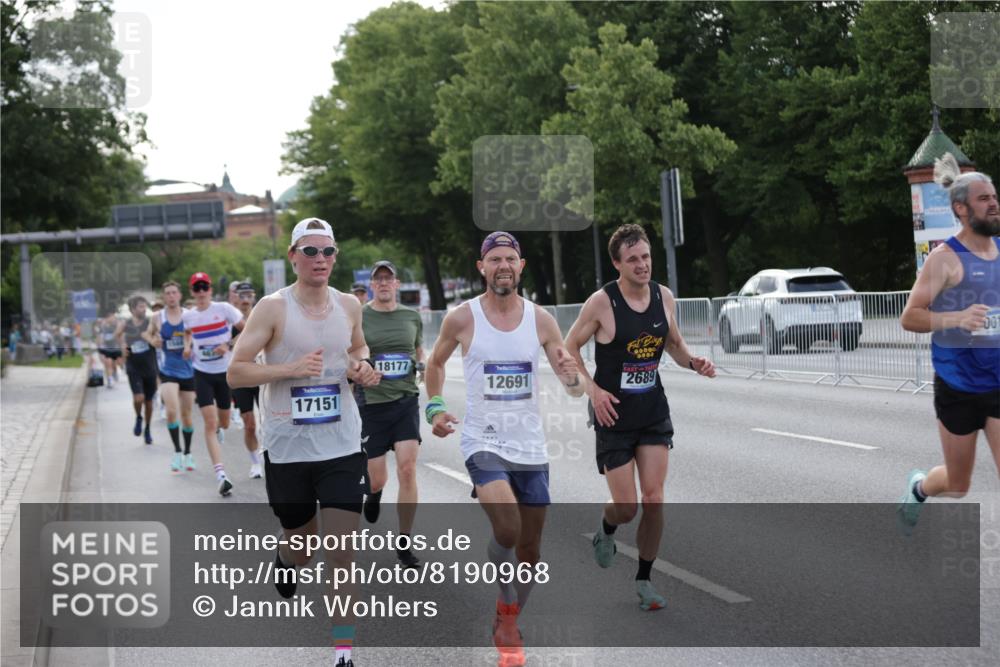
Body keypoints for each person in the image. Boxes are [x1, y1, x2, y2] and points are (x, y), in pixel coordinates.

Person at [425, 231, 583, 667]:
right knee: (509, 530)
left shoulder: (542, 320)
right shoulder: (462, 318)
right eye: (494, 259)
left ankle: (507, 615)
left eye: (510, 258)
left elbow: (572, 388)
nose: (503, 266)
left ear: (521, 265)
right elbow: (434, 364)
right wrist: (435, 409)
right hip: (483, 440)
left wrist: (572, 376)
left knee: (531, 551)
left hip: (530, 445)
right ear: (482, 267)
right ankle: (508, 609)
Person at [228, 217, 380, 667]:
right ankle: (286, 558)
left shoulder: (349, 306)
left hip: (341, 443)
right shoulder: (272, 309)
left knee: (342, 548)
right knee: (303, 542)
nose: (320, 259)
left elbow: (357, 349)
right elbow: (236, 371)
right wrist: (288, 369)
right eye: (310, 251)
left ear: (335, 256)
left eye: (327, 251)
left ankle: (343, 651)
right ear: (293, 256)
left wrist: (363, 368)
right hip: (288, 445)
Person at [564, 223, 716, 612]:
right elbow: (569, 348)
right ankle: (607, 528)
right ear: (617, 264)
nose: (642, 264)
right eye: (633, 259)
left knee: (654, 499)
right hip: (612, 414)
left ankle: (645, 580)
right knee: (627, 506)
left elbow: (675, 345)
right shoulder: (601, 303)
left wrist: (693, 362)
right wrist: (593, 390)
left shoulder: (664, 296)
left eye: (646, 256)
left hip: (651, 410)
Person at [897, 154, 1000, 534]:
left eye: (994, 197)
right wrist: (955, 318)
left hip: (998, 380)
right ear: (961, 209)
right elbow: (910, 317)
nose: (994, 203)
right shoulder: (944, 259)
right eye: (984, 199)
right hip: (959, 385)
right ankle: (919, 488)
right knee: (958, 485)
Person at [358, 260, 425, 568]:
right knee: (375, 480)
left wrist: (420, 365)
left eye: (389, 278)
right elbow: (351, 352)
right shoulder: (360, 316)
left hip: (405, 401)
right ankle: (374, 494)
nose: (384, 283)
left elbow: (418, 349)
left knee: (408, 469)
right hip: (371, 405)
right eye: (378, 279)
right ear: (373, 285)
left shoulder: (411, 317)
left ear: (397, 284)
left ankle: (404, 542)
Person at [182, 272, 246, 496]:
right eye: (196, 288)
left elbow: (247, 331)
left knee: (224, 423)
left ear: (210, 289)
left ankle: (221, 427)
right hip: (202, 374)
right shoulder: (188, 316)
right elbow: (188, 333)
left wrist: (228, 345)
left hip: (224, 374)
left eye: (204, 287)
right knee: (209, 424)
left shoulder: (224, 309)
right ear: (192, 292)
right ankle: (221, 475)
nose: (200, 292)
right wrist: (188, 346)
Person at [149, 281, 197, 472]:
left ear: (179, 295)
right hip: (167, 370)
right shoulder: (157, 317)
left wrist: (188, 346)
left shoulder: (189, 315)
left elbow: (194, 335)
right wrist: (155, 341)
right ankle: (177, 452)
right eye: (167, 293)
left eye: (174, 293)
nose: (170, 296)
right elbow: (149, 336)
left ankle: (188, 453)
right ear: (164, 297)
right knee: (171, 411)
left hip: (188, 370)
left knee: (186, 415)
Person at [229, 280, 264, 479]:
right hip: (242, 378)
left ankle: (270, 457)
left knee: (268, 423)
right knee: (249, 424)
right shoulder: (230, 320)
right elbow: (226, 344)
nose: (245, 300)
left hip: (261, 374)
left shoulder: (261, 316)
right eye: (242, 295)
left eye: (249, 295)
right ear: (236, 297)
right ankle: (254, 463)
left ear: (253, 297)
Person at [115, 295, 159, 445]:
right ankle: (138, 417)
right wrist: (122, 346)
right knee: (138, 398)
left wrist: (154, 339)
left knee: (149, 401)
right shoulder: (126, 324)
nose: (144, 309)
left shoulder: (149, 323)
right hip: (134, 367)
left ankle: (147, 428)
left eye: (144, 306)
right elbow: (117, 336)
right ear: (132, 309)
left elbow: (158, 336)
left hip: (150, 366)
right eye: (140, 306)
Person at [95, 311, 122, 388]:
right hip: (106, 347)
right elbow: (98, 338)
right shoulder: (101, 326)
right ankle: (109, 380)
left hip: (115, 346)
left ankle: (115, 371)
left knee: (114, 363)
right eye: (110, 317)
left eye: (113, 317)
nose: (112, 318)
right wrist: (99, 349)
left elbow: (120, 335)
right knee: (108, 363)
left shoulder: (117, 325)